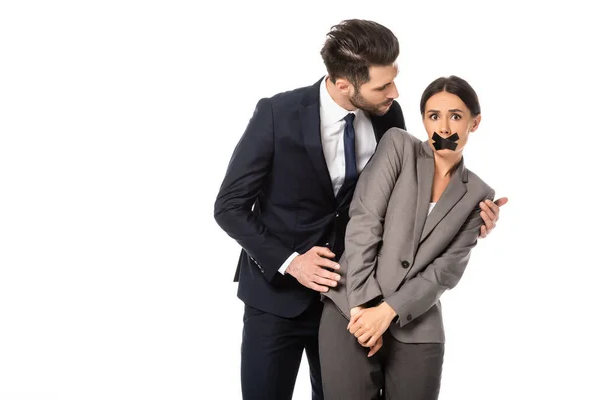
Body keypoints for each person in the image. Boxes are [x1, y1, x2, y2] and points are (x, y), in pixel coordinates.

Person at [214, 19, 506, 400]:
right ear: (343, 85)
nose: (395, 92)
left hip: (347, 301)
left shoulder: (389, 117)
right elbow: (229, 206)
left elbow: (407, 201)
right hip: (276, 298)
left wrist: (469, 218)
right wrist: (291, 262)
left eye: (394, 78)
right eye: (382, 85)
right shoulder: (277, 114)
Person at [319, 75, 498, 399]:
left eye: (455, 115)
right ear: (424, 120)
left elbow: (445, 270)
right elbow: (364, 223)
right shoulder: (398, 147)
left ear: (475, 122)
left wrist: (386, 312)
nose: (444, 128)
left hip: (417, 325)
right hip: (350, 309)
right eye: (434, 116)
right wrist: (364, 311)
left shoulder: (480, 195)